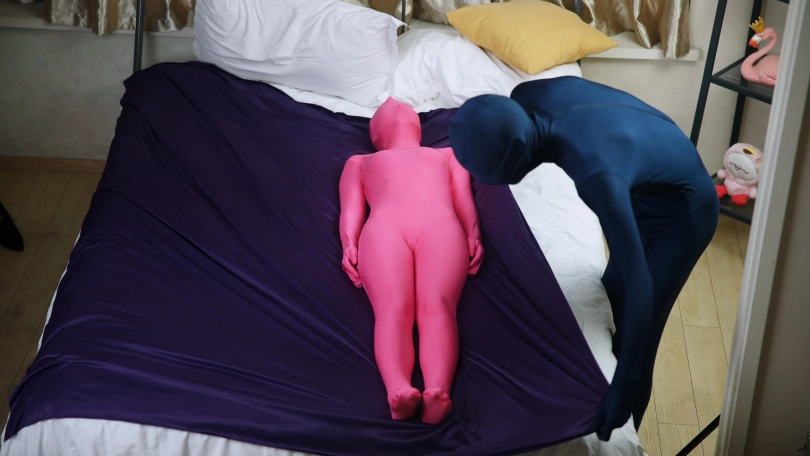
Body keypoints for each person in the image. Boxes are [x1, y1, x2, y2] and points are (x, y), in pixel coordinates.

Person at [448, 77, 718, 440]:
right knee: (611, 301)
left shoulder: (596, 174)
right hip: (647, 167)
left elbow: (640, 286)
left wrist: (624, 386)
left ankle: (625, 436)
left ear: (514, 167)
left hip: (684, 211)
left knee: (637, 335)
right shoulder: (525, 96)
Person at [339, 97, 484, 424]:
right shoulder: (360, 162)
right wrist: (348, 244)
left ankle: (435, 390)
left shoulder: (448, 154)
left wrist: (473, 233)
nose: (396, 109)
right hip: (394, 231)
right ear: (376, 135)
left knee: (433, 305)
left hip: (432, 230)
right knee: (398, 307)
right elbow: (351, 210)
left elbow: (464, 199)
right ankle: (400, 390)